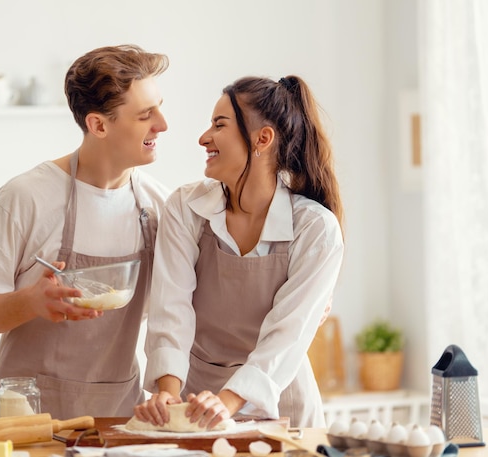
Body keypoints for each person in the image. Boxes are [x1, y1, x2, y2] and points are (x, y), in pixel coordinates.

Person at [0, 44, 170, 419]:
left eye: (159, 107)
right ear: (98, 124)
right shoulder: (25, 197)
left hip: (116, 421)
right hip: (23, 419)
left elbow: (174, 317)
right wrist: (31, 302)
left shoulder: (160, 208)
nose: (162, 124)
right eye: (145, 115)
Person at [134, 75, 344, 430]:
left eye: (219, 125)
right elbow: (171, 309)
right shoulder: (185, 208)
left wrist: (228, 402)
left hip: (282, 404)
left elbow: (286, 335)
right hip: (194, 403)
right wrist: (168, 392)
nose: (204, 137)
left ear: (262, 139)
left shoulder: (315, 229)